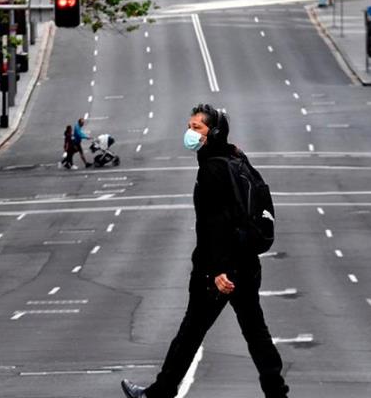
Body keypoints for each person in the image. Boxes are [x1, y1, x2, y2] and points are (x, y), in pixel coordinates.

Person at [121, 104, 290, 398]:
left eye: (196, 127)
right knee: (255, 332)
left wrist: (217, 271)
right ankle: (277, 392)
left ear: (213, 133)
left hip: (219, 271)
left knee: (191, 331)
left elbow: (216, 225)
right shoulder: (237, 157)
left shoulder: (213, 169)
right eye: (189, 126)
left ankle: (159, 393)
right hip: (247, 264)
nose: (189, 132)